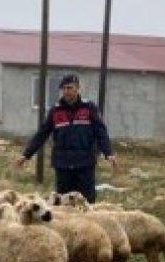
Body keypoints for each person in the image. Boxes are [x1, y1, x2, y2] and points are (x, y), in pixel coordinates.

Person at [16, 73, 116, 202]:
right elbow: (42, 134)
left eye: (70, 88)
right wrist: (26, 154)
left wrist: (109, 153)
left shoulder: (89, 108)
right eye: (64, 89)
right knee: (63, 203)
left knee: (87, 201)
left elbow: (100, 131)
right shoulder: (55, 111)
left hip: (84, 164)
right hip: (63, 165)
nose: (66, 91)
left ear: (77, 88)